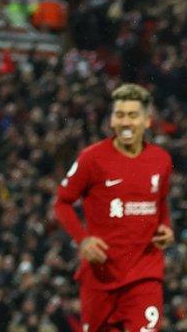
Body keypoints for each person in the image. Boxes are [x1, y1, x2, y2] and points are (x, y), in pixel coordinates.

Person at [54, 83, 174, 332]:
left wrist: (165, 226)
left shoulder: (161, 160)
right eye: (119, 115)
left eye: (132, 115)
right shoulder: (92, 158)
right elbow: (62, 203)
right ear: (111, 120)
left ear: (147, 121)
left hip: (144, 273)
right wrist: (84, 240)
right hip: (101, 276)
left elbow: (160, 201)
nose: (125, 122)